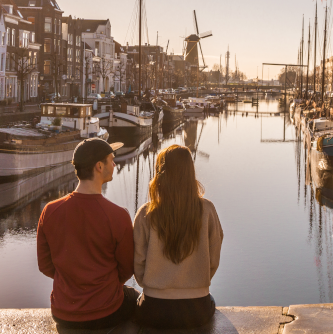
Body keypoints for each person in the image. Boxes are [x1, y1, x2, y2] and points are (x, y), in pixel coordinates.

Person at [37, 138, 137, 330]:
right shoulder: (117, 216)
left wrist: (73, 281)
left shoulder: (50, 211)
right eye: (111, 160)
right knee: (137, 299)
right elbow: (126, 268)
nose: (115, 164)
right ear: (99, 166)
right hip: (107, 311)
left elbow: (45, 265)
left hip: (63, 313)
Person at [133, 144, 223, 329]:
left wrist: (152, 284)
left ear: (160, 175)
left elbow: (138, 260)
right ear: (191, 173)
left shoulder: (146, 213)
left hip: (154, 307)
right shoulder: (207, 210)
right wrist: (197, 283)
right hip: (197, 308)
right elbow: (213, 259)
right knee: (211, 302)